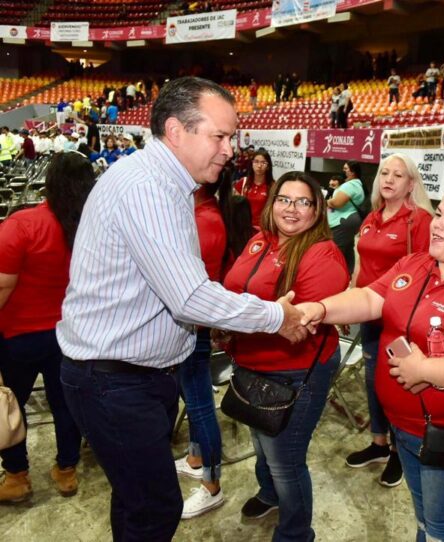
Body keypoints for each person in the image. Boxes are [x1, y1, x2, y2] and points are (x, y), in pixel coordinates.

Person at [56, 76, 307, 542]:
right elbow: (189, 296)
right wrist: (279, 316)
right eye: (221, 135)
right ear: (176, 131)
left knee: (135, 500)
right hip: (115, 381)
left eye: (232, 137)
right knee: (155, 508)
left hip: (128, 377)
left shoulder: (165, 184)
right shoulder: (148, 187)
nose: (231, 149)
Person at [299, 186, 444, 541]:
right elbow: (372, 298)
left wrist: (426, 371)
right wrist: (322, 309)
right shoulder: (415, 264)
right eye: (438, 215)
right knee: (425, 519)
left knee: (442, 527)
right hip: (402, 428)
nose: (437, 225)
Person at [222, 172, 349, 540]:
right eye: (284, 199)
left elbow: (298, 328)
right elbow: (236, 290)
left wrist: (238, 318)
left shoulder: (321, 255)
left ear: (317, 210)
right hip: (251, 363)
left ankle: (295, 533)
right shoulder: (260, 240)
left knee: (285, 461)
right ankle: (270, 494)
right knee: (263, 447)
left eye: (303, 202)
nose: (291, 209)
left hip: (293, 373)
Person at [0, 153, 95, 503]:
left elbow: (2, 286)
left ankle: (17, 475)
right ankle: (66, 469)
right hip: (68, 335)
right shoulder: (92, 229)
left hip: (17, 336)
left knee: (11, 403)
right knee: (64, 403)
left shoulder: (22, 224)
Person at [343, 153, 433, 488]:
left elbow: (427, 270)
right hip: (369, 314)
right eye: (384, 173)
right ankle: (379, 443)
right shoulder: (372, 217)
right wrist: (351, 296)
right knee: (372, 380)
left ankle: (399, 450)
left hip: (399, 318)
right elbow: (360, 263)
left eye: (398, 175)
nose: (389, 179)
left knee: (397, 384)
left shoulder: (419, 220)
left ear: (411, 184)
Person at [175, 166, 252, 519]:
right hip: (192, 323)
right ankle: (195, 458)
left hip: (195, 325)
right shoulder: (199, 212)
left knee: (201, 404)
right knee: (194, 401)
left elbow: (192, 285)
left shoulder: (205, 219)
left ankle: (212, 484)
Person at [327, 160, 366, 274]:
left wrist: (325, 202)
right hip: (347, 221)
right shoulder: (357, 184)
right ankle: (348, 275)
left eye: (345, 169)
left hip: (343, 221)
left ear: (352, 172)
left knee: (336, 251)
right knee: (348, 249)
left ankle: (332, 275)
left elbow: (337, 203)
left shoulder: (351, 185)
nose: (343, 171)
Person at [234, 147, 274, 231]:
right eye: (256, 162)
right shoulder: (243, 182)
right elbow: (235, 206)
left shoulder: (273, 186)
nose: (259, 166)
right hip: (242, 229)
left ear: (268, 166)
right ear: (251, 164)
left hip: (262, 230)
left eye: (263, 162)